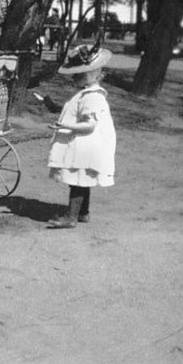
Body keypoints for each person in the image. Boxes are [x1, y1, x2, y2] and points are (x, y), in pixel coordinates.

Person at [43, 41, 116, 228]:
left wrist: (65, 125)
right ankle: (83, 212)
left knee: (78, 179)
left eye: (79, 75)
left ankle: (71, 217)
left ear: (94, 76)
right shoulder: (86, 94)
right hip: (86, 144)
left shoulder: (92, 96)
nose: (74, 78)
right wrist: (54, 107)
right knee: (83, 179)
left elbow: (89, 125)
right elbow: (75, 111)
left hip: (85, 144)